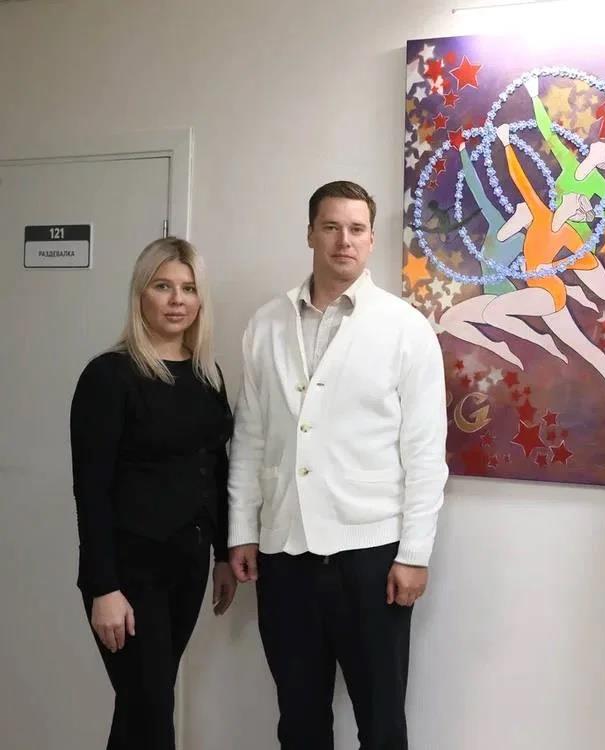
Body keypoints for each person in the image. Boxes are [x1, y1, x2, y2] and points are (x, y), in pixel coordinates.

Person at [226, 180, 449, 750]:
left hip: (372, 557)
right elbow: (250, 437)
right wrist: (242, 530)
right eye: (330, 227)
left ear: (371, 239)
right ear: (310, 234)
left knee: (381, 722)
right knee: (299, 720)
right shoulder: (266, 324)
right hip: (284, 553)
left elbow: (425, 453)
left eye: (355, 229)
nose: (343, 241)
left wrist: (415, 554)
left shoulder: (405, 328)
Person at [70, 237, 237, 749]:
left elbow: (215, 467)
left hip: (186, 567)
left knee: (143, 707)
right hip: (128, 573)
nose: (177, 300)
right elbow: (91, 489)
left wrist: (224, 554)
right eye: (163, 286)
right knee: (151, 712)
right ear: (140, 294)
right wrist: (103, 587)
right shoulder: (109, 376)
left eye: (188, 288)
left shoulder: (207, 375)